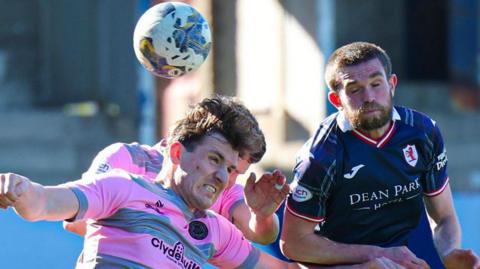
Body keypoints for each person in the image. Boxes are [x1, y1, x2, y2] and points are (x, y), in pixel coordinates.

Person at [0, 97, 301, 269]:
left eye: (232, 168)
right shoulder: (123, 184)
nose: (224, 177)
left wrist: (346, 258)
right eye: (214, 159)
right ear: (176, 151)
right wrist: (20, 191)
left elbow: (276, 261)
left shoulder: (215, 230)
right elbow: (44, 203)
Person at [280, 42, 480, 269]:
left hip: (402, 262)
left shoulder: (423, 132)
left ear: (392, 84)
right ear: (336, 100)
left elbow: (444, 217)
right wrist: (374, 256)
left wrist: (449, 253)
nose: (369, 97)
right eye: (354, 89)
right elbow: (294, 244)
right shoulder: (321, 156)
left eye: (376, 84)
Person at [64, 95, 284, 245]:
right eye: (220, 161)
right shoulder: (126, 157)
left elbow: (262, 234)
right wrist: (152, 239)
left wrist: (262, 215)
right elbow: (74, 222)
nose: (226, 178)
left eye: (234, 170)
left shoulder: (226, 189)